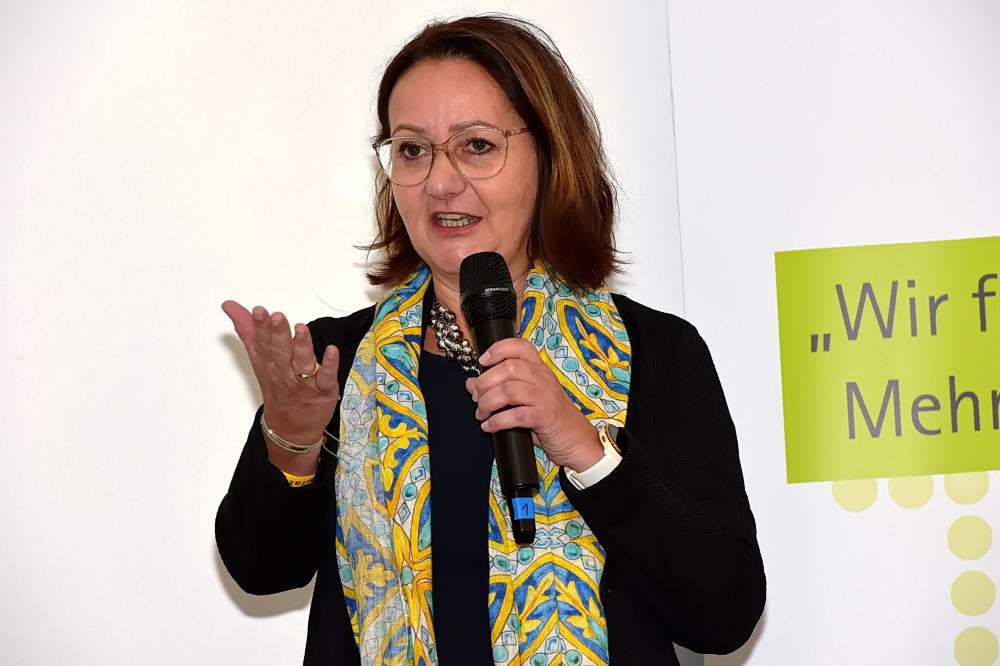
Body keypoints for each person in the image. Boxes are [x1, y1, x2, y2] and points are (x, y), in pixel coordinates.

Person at [216, 14, 765, 666]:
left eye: (476, 145)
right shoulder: (339, 360)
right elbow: (261, 569)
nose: (440, 182)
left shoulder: (655, 352)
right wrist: (292, 438)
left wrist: (587, 452)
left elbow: (723, 614)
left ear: (550, 156)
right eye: (412, 150)